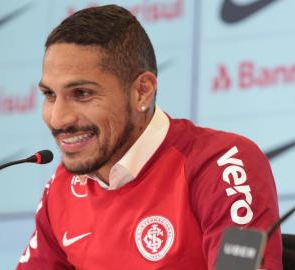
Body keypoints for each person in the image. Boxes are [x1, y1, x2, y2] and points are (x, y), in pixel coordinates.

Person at [16, 5, 282, 270]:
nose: (58, 118)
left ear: (142, 91)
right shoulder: (62, 185)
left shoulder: (221, 163)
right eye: (49, 95)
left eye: (82, 94)